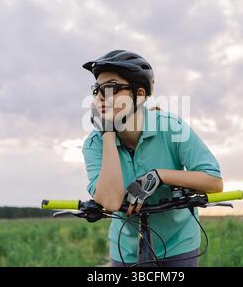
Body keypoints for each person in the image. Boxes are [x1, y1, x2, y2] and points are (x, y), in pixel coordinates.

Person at [81, 50, 223, 267]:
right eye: (96, 90)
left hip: (178, 244)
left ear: (139, 95)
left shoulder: (171, 128)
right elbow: (110, 202)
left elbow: (213, 181)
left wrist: (160, 176)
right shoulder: (95, 144)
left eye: (111, 88)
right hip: (125, 248)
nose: (100, 96)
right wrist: (108, 134)